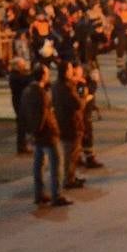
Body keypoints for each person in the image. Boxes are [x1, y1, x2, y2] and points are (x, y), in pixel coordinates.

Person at [21, 65, 70, 207]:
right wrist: (39, 130)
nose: (49, 76)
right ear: (43, 75)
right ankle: (57, 195)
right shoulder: (40, 93)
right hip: (47, 134)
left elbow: (23, 113)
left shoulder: (27, 91)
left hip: (36, 134)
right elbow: (43, 115)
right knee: (56, 165)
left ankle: (39, 194)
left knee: (39, 164)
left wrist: (29, 132)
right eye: (47, 73)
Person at [53, 61, 87, 191]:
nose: (72, 71)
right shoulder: (66, 87)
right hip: (71, 123)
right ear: (66, 71)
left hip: (63, 122)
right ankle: (68, 179)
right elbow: (77, 104)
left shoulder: (57, 85)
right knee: (71, 153)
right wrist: (83, 96)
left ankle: (71, 176)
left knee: (72, 153)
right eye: (70, 69)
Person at [8, 57, 33, 154]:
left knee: (23, 123)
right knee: (21, 124)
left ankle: (24, 144)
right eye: (22, 65)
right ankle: (22, 146)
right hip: (19, 101)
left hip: (20, 100)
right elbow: (25, 81)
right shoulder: (15, 76)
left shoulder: (17, 75)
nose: (24, 66)